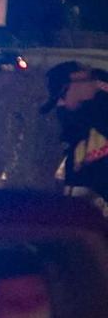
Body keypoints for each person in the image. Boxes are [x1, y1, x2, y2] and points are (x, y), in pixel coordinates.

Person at [45, 61, 108, 211]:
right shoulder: (79, 125)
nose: (61, 105)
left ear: (75, 84)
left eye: (61, 97)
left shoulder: (96, 115)